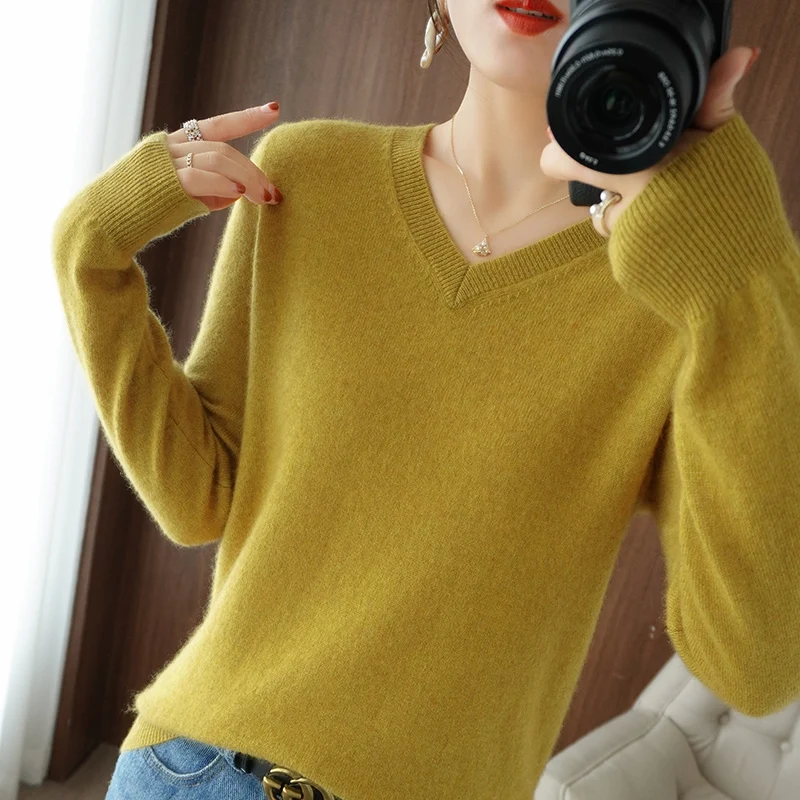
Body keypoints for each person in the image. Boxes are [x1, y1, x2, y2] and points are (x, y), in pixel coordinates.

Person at [51, 1, 800, 799]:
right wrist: (88, 247)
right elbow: (198, 497)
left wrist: (740, 282)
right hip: (196, 766)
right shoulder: (309, 172)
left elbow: (751, 667)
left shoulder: (680, 283)